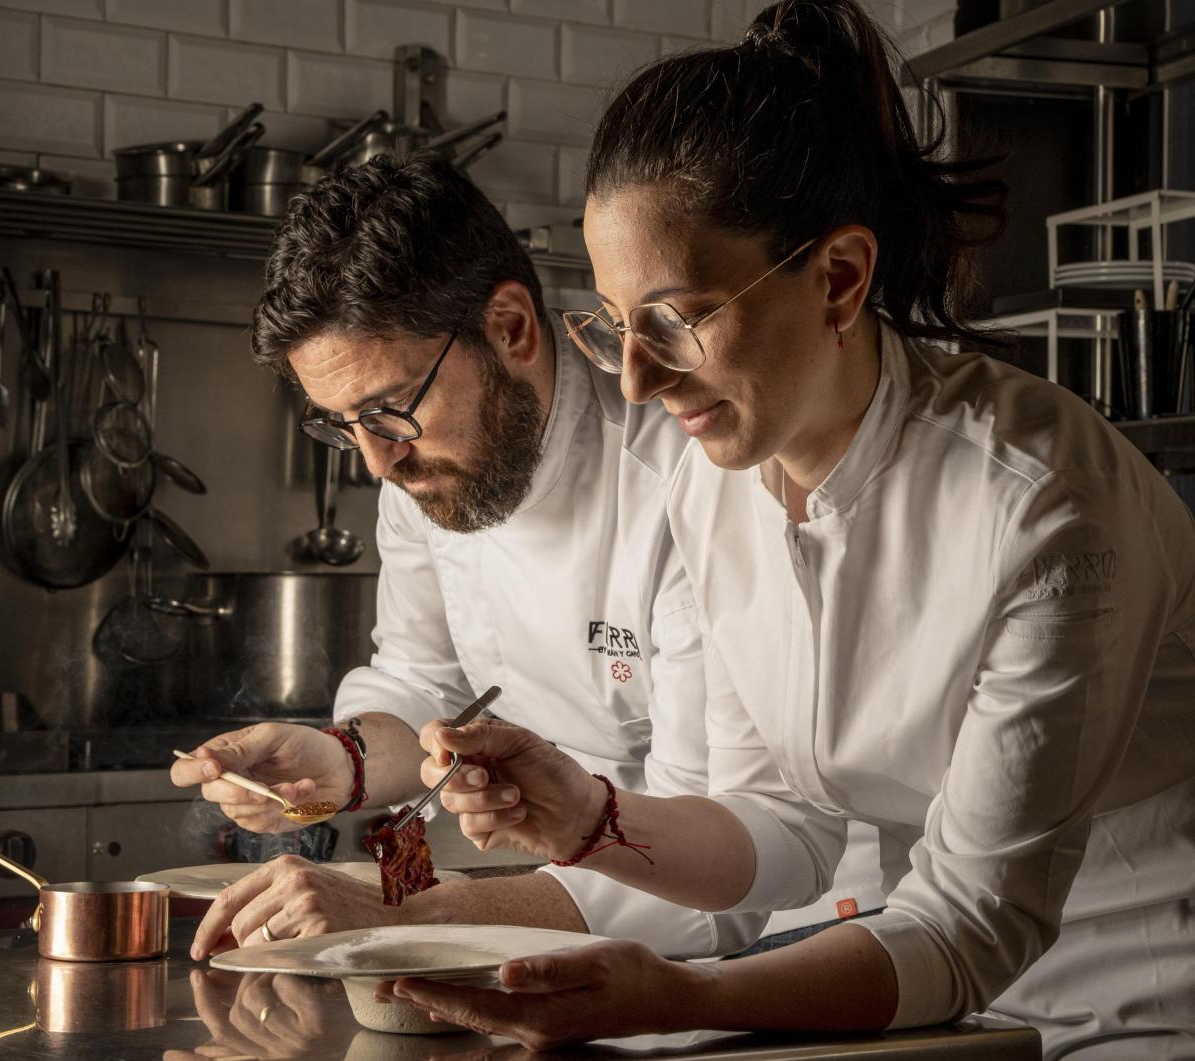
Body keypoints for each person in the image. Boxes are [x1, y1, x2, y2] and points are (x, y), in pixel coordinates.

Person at [377, 5, 1195, 1061]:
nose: (636, 381)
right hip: (929, 1012)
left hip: (1137, 1022)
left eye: (677, 317)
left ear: (838, 277)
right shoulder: (718, 483)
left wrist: (687, 995)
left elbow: (976, 915)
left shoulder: (1039, 501)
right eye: (612, 322)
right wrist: (591, 816)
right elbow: (783, 826)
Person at [171, 151, 879, 962]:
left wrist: (414, 914)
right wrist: (340, 762)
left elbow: (719, 870)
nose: (374, 462)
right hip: (588, 900)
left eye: (389, 411)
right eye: (339, 424)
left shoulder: (691, 479)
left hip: (809, 929)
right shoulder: (427, 469)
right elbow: (424, 684)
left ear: (509, 327)